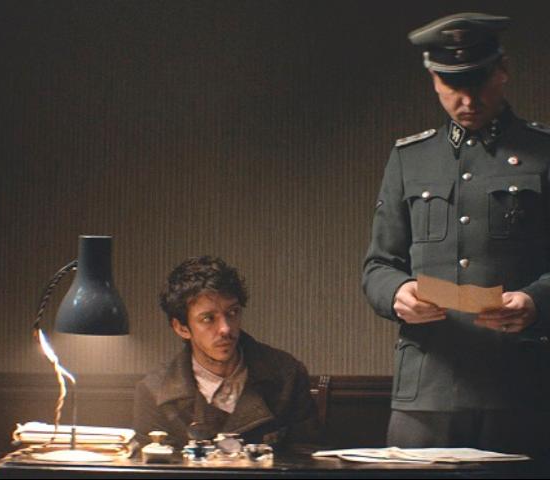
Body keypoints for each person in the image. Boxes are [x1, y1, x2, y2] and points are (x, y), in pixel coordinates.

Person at [362, 13, 550, 455]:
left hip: (519, 389)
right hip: (426, 392)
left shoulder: (543, 152)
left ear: (502, 70)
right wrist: (398, 293)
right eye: (453, 84)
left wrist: (536, 302)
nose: (467, 99)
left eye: (478, 81)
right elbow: (378, 267)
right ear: (434, 79)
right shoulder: (410, 158)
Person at [134, 255, 320, 448]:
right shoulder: (154, 391)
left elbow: (306, 459)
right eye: (208, 318)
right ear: (181, 328)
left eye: (232, 312)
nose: (225, 328)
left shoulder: (287, 375)